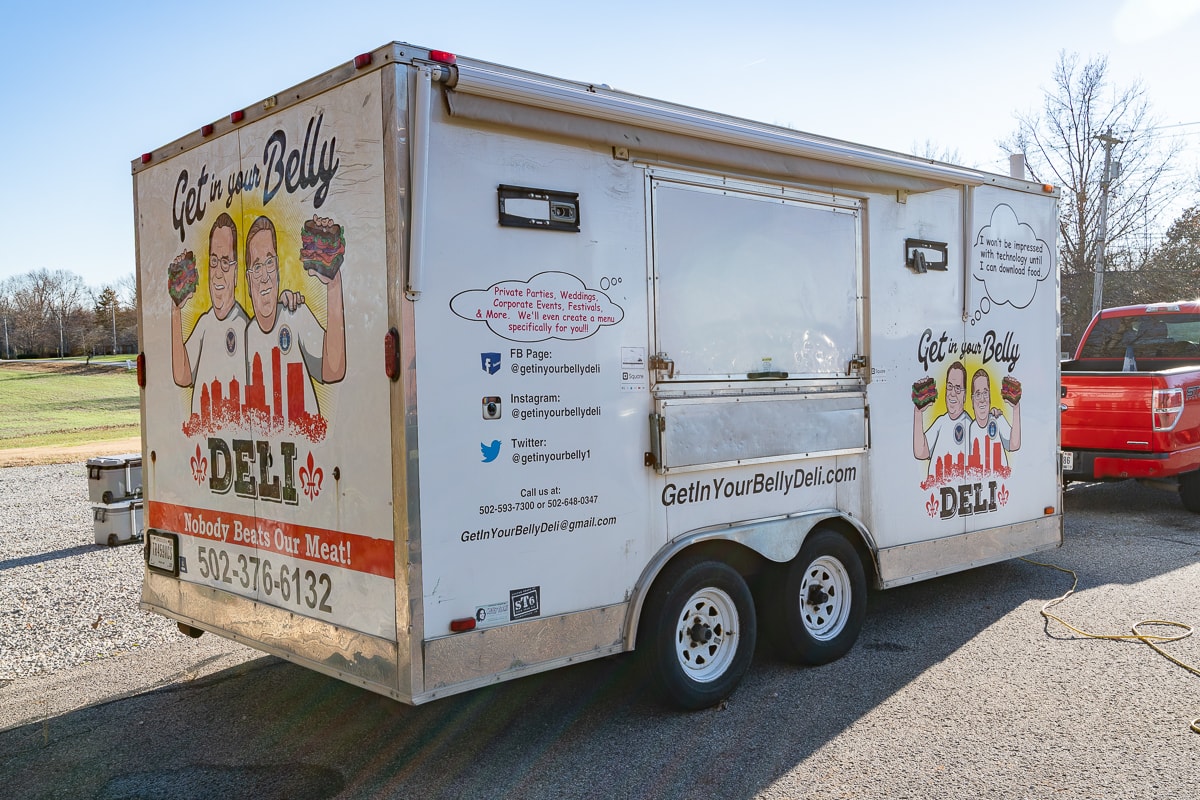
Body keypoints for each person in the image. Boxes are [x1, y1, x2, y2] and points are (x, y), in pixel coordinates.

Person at [243, 215, 346, 421]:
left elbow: (333, 370)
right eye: (257, 267)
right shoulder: (247, 334)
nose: (264, 277)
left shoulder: (295, 313)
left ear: (278, 270)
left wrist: (333, 283)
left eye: (269, 263)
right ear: (248, 279)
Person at [170, 213, 250, 415]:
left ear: (236, 272)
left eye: (225, 262)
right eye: (214, 262)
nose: (218, 273)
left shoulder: (246, 328)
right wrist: (176, 310)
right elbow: (182, 376)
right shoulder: (205, 324)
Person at [913, 360, 970, 479]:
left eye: (958, 388)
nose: (952, 393)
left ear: (964, 395)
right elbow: (920, 452)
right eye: (950, 387)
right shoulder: (941, 422)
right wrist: (918, 412)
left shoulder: (970, 426)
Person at [967, 368, 1021, 471]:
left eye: (985, 393)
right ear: (972, 400)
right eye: (978, 394)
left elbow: (1014, 445)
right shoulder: (971, 428)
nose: (982, 399)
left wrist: (1016, 408)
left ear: (990, 396)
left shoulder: (997, 419)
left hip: (1000, 478)